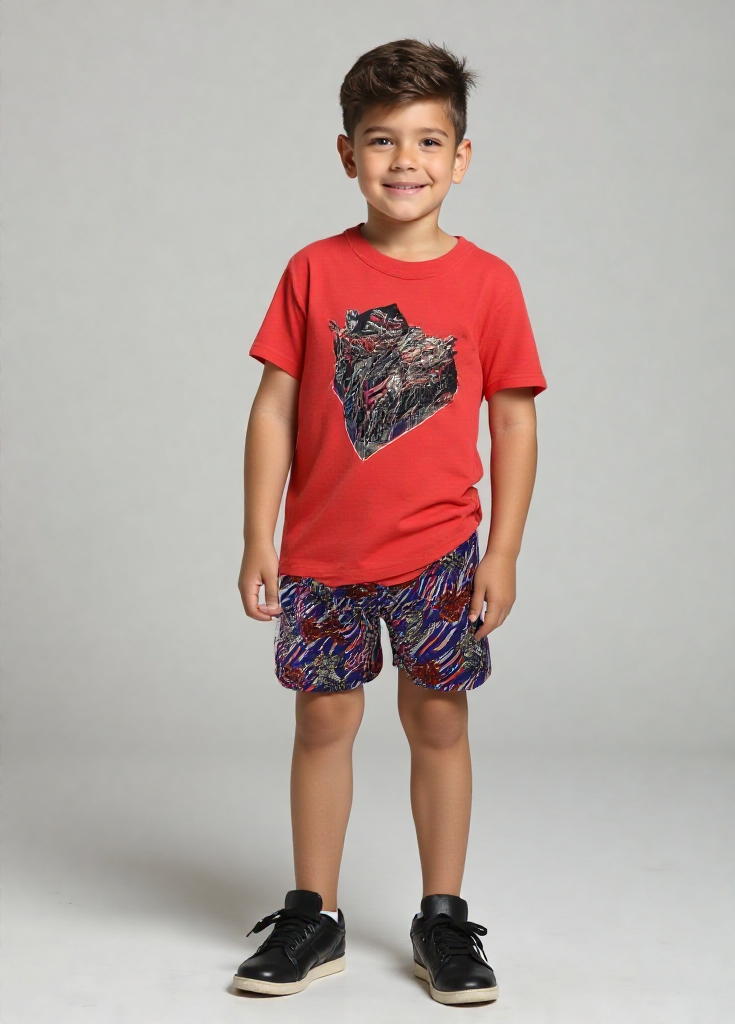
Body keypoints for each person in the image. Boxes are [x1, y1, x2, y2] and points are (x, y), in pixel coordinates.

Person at [233, 37, 547, 1006]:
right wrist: (256, 536)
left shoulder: (489, 283)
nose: (404, 161)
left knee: (437, 720)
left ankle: (443, 918)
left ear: (461, 156)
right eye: (381, 140)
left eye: (427, 141)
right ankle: (313, 914)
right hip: (323, 552)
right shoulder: (313, 271)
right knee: (323, 720)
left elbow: (514, 421)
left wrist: (503, 551)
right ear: (347, 154)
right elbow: (275, 409)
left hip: (440, 552)